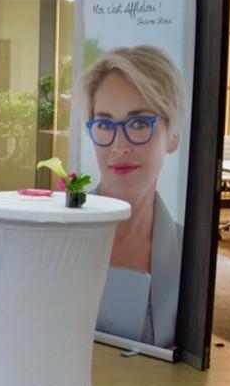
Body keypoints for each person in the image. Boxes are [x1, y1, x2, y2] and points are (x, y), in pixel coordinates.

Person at [80, 45, 186, 350]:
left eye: (139, 124)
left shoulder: (189, 251)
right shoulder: (55, 235)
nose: (120, 145)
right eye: (104, 124)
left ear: (173, 136)